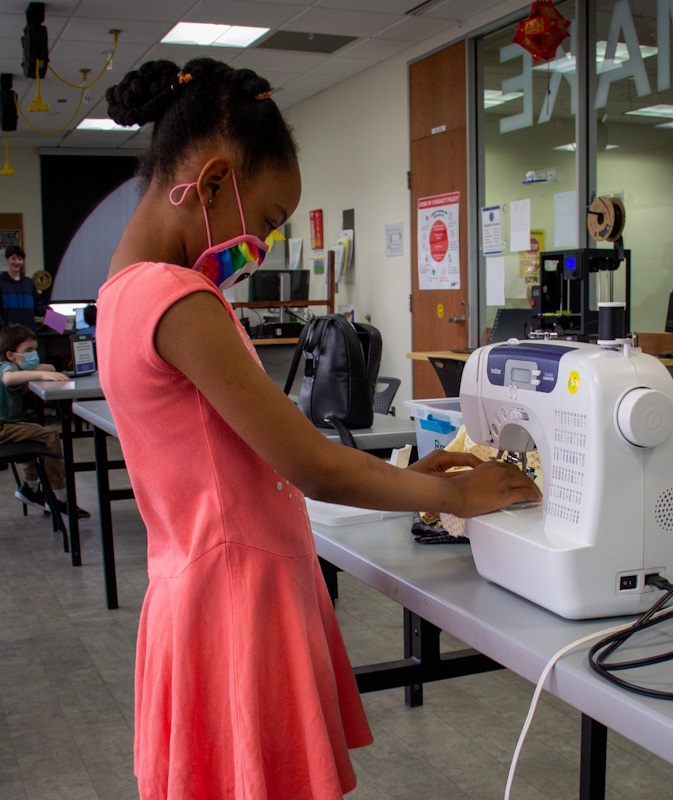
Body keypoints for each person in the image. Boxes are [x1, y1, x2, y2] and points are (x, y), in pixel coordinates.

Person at [101, 58, 539, 800]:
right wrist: (463, 500)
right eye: (268, 221)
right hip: (241, 602)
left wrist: (411, 482)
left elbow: (248, 461)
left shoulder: (119, 295)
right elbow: (309, 464)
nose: (264, 245)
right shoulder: (179, 300)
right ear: (211, 185)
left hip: (200, 590)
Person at [0, 323, 91, 519]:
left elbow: (48, 366)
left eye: (35, 349)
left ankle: (30, 488)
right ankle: (60, 498)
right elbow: (8, 379)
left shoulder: (15, 364)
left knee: (34, 433)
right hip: (2, 429)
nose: (34, 355)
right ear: (10, 355)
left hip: (8, 425)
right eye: (29, 351)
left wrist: (43, 369)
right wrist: (40, 374)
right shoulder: (6, 367)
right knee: (49, 436)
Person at [1, 245, 46, 329]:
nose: (17, 262)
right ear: (7, 260)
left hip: (28, 333)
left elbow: (37, 306)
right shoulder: (1, 283)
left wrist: (48, 311)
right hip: (8, 335)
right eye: (13, 258)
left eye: (20, 259)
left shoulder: (29, 283)